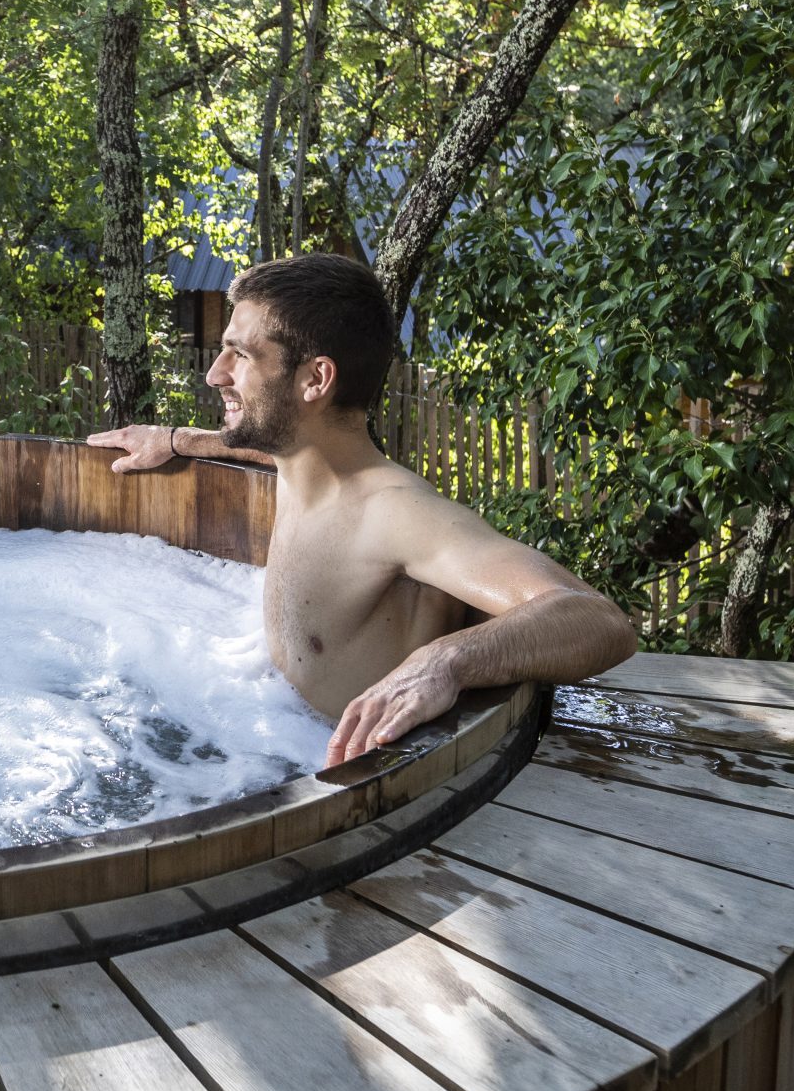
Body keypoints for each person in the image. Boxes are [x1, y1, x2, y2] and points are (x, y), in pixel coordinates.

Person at [87, 253, 633, 767]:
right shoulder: (297, 460)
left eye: (243, 355)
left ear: (315, 380)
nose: (216, 373)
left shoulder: (392, 513)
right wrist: (176, 438)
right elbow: (259, 442)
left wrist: (442, 661)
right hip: (268, 735)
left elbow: (599, 620)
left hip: (350, 774)